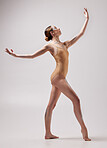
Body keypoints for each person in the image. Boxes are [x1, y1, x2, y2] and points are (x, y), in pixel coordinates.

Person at [5, 8, 91, 141]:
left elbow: (80, 34)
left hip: (59, 78)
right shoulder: (50, 46)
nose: (58, 28)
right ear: (52, 33)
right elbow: (32, 55)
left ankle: (48, 134)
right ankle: (83, 129)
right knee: (76, 100)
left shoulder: (64, 44)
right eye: (56, 28)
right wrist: (15, 55)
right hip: (58, 78)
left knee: (51, 106)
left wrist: (86, 19)